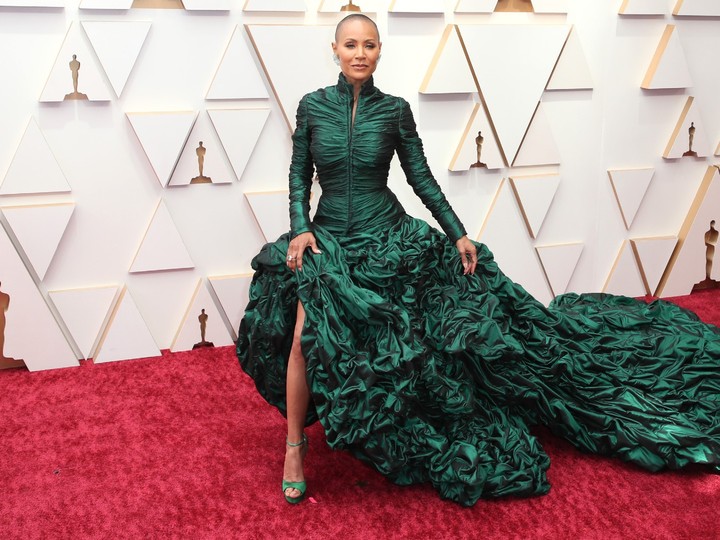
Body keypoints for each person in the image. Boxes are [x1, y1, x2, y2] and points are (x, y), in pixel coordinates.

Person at [237, 14, 720, 506]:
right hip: (328, 243)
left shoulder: (395, 111)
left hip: (387, 238)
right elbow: (299, 173)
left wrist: (458, 232)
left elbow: (420, 177)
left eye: (369, 45)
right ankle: (294, 447)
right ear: (334, 50)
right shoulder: (313, 106)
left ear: (380, 51)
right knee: (303, 339)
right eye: (350, 45)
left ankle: (403, 420)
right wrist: (300, 229)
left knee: (411, 343)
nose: (359, 53)